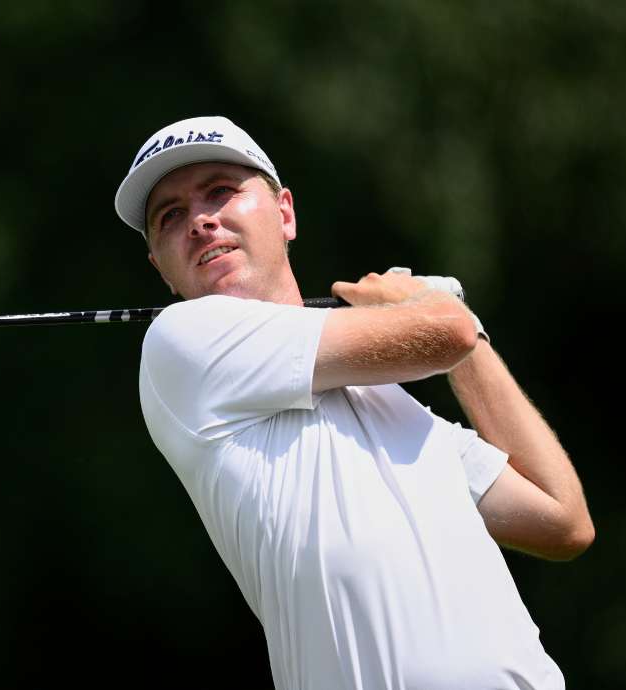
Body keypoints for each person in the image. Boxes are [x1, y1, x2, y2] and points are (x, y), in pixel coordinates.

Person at [113, 116, 593, 689]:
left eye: (220, 191)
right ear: (159, 268)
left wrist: (463, 337)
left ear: (285, 213)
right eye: (170, 216)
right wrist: (423, 307)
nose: (200, 220)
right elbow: (448, 335)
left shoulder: (395, 406)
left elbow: (561, 520)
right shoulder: (181, 342)